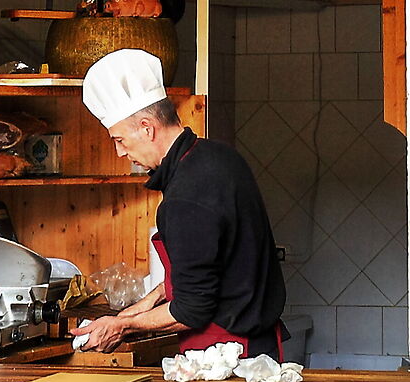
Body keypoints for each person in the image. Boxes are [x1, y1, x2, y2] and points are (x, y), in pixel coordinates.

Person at [73, 48, 285, 359]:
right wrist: (136, 309)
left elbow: (192, 309)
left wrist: (122, 328)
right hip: (255, 345)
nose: (120, 153)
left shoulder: (186, 195)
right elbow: (208, 269)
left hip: (228, 359)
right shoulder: (217, 157)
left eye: (119, 140)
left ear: (147, 127)